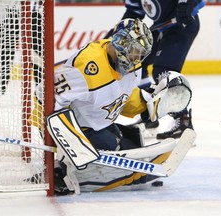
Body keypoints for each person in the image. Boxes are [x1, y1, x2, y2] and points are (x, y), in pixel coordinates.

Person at [29, 18, 192, 194]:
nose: (136, 58)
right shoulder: (88, 67)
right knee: (112, 148)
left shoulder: (132, 65)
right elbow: (43, 97)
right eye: (134, 51)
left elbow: (122, 95)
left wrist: (148, 105)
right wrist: (62, 145)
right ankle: (60, 171)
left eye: (140, 54)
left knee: (129, 142)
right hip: (81, 129)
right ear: (120, 42)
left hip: (101, 123)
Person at [105, 0, 205, 139]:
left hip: (182, 25)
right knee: (134, 63)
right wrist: (114, 35)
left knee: (163, 71)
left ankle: (183, 121)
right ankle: (149, 118)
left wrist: (186, 3)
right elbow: (134, 14)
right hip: (162, 27)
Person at [0, 1, 43, 98]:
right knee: (5, 51)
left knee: (37, 53)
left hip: (33, 14)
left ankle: (41, 87)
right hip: (12, 12)